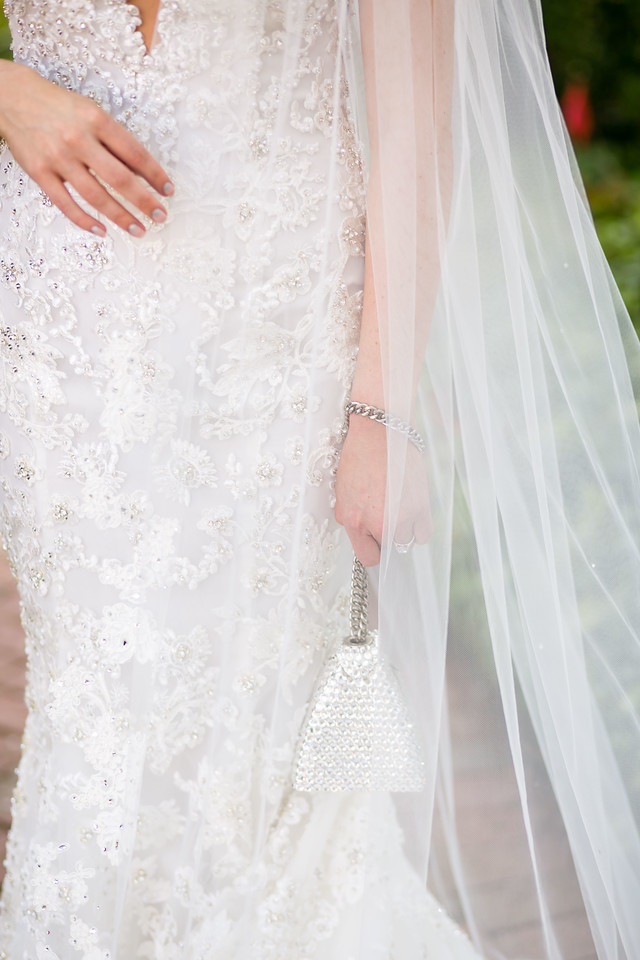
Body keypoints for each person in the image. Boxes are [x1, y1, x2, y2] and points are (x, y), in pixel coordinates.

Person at [0, 1, 638, 958]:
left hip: (279, 339)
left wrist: (383, 414)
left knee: (256, 765)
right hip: (64, 337)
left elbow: (420, 111)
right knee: (94, 721)